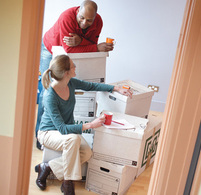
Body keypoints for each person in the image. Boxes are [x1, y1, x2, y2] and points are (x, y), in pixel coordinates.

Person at [35, 54, 132, 194]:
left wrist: (115, 88)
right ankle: (68, 183)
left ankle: (48, 167)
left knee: (86, 153)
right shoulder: (50, 95)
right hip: (48, 133)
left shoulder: (71, 83)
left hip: (68, 133)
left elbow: (91, 85)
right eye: (73, 65)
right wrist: (90, 125)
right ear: (66, 72)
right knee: (73, 139)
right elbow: (61, 128)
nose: (75, 67)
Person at [36, 0, 113, 150]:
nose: (84, 23)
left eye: (89, 20)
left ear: (95, 17)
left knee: (71, 87)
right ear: (77, 12)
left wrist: (80, 40)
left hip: (66, 52)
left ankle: (61, 131)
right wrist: (96, 47)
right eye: (82, 18)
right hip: (50, 48)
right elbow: (70, 50)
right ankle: (41, 136)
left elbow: (89, 43)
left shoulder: (98, 22)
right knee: (47, 92)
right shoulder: (67, 17)